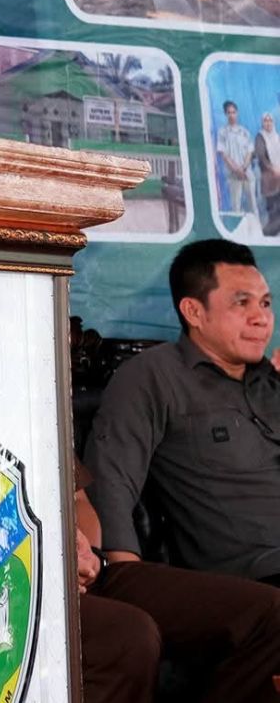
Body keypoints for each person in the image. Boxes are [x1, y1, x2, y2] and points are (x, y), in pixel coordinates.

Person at [84, 239, 280, 585]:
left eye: (265, 303)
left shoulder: (271, 381)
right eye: (242, 303)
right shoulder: (154, 376)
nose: (261, 319)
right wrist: (127, 579)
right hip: (251, 581)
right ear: (194, 312)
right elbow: (110, 479)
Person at [75, 461, 280, 702]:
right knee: (128, 636)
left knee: (272, 613)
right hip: (42, 587)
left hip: (93, 572)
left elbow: (78, 500)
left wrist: (88, 554)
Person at [216, 99, 256, 214]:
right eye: (229, 112)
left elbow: (250, 152)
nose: (231, 115)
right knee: (236, 207)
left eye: (233, 112)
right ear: (225, 114)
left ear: (237, 113)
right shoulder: (222, 132)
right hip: (233, 174)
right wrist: (237, 170)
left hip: (247, 173)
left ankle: (255, 225)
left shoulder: (244, 132)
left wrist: (243, 168)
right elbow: (224, 154)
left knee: (252, 205)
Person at [255, 111, 280, 235]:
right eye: (265, 121)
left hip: (279, 178)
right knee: (272, 208)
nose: (268, 123)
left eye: (270, 120)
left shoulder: (277, 136)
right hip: (269, 179)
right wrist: (273, 169)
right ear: (262, 123)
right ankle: (269, 235)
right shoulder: (260, 137)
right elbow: (261, 156)